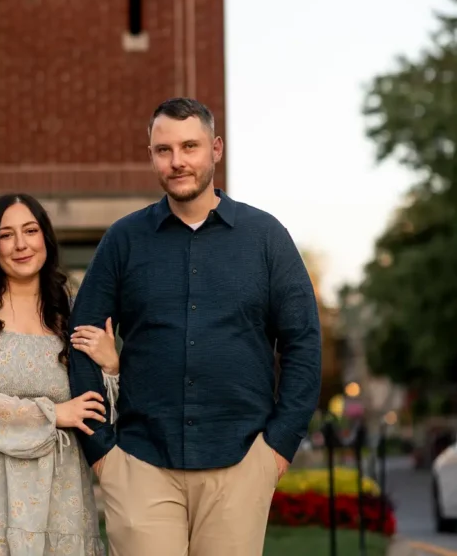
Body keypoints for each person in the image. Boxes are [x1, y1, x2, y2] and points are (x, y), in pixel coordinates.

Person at [69, 97, 322, 556]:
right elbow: (82, 340)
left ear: (216, 149)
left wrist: (279, 446)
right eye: (163, 150)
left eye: (190, 146)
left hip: (242, 463)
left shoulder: (265, 239)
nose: (178, 161)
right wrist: (102, 451)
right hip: (139, 464)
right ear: (151, 156)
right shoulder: (123, 241)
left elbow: (303, 343)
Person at [0, 193, 119, 556]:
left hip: (59, 487)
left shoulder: (71, 314)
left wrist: (111, 365)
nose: (21, 244)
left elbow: (100, 407)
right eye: (6, 235)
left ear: (45, 238)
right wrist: (53, 414)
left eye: (30, 230)